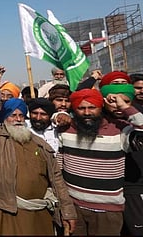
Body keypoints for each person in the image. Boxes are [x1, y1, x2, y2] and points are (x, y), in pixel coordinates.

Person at [0, 66, 77, 235]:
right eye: (12, 115)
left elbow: (56, 179)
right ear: (5, 117)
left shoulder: (40, 144)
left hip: (39, 214)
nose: (17, 119)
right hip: (5, 212)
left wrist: (67, 210)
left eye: (21, 115)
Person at [58, 87, 143, 235]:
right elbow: (59, 167)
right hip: (74, 209)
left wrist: (125, 107)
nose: (87, 112)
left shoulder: (119, 130)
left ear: (101, 107)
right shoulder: (65, 130)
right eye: (81, 108)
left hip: (107, 212)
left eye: (92, 107)